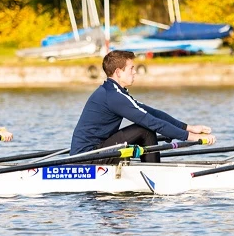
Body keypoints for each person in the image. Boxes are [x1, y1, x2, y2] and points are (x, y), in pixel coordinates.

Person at [71, 50, 216, 162]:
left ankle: (152, 168)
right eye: (131, 69)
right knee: (145, 129)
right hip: (87, 157)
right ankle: (154, 173)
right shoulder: (113, 96)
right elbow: (151, 121)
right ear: (118, 72)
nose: (135, 72)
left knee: (147, 127)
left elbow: (151, 112)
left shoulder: (113, 91)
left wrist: (188, 127)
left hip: (97, 149)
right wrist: (192, 137)